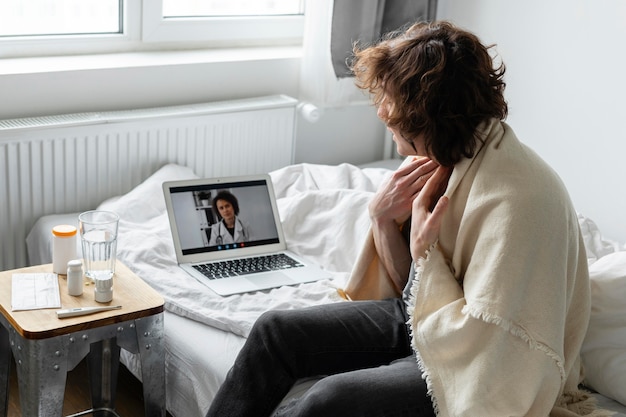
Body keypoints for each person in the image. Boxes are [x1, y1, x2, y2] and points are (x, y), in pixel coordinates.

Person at [207, 21, 602, 417]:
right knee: (273, 331)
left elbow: (494, 352)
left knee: (328, 400)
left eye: (390, 101)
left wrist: (423, 252)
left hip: (479, 360)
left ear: (427, 115)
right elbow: (410, 294)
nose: (381, 111)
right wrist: (382, 221)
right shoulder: (444, 158)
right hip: (429, 320)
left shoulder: (517, 200)